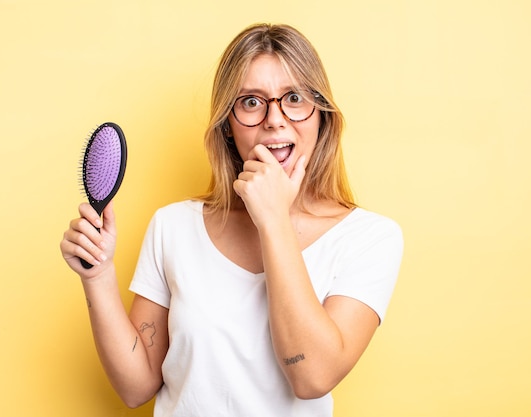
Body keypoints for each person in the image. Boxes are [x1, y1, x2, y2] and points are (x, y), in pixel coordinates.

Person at [60, 23, 403, 417]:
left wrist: (273, 219)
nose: (275, 119)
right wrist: (98, 277)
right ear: (227, 126)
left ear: (321, 116)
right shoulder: (173, 227)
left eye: (294, 97)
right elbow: (137, 387)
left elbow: (312, 377)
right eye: (252, 102)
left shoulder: (370, 237)